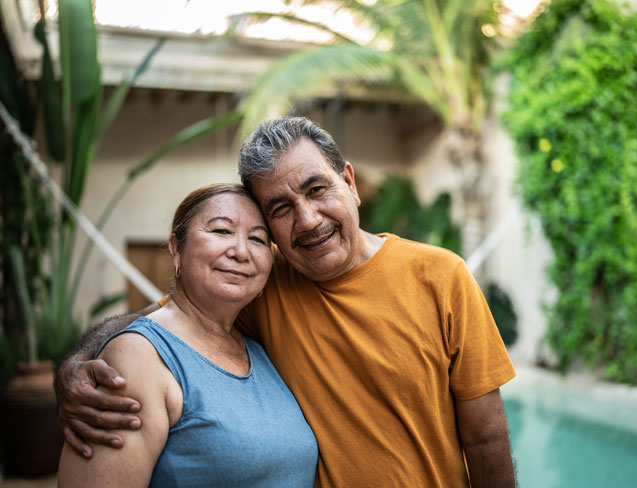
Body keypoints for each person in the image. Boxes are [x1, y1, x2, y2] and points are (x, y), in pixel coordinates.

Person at [56, 116, 516, 487]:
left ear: (349, 183)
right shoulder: (261, 283)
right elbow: (166, 324)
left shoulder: (441, 276)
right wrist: (77, 364)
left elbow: (486, 438)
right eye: (279, 208)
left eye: (317, 190)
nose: (308, 219)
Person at [57, 183, 318, 487]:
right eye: (221, 231)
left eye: (258, 239)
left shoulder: (259, 347)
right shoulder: (137, 358)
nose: (241, 251)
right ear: (176, 249)